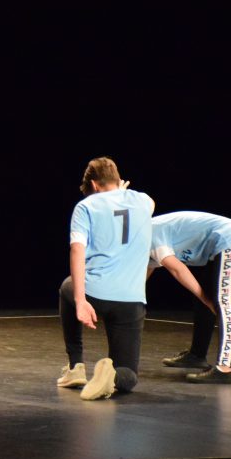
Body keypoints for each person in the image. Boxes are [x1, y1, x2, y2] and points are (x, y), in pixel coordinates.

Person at [56, 157, 154, 400]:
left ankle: (76, 366)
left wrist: (80, 300)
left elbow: (77, 249)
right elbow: (148, 205)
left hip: (95, 293)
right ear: (118, 180)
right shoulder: (142, 200)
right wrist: (121, 193)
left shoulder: (86, 206)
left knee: (65, 287)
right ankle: (111, 376)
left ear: (95, 185)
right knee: (129, 374)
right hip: (131, 301)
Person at [148, 211, 231, 383]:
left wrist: (207, 300)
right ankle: (196, 355)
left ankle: (224, 369)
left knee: (224, 303)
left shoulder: (150, 232)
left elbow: (177, 269)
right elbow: (147, 269)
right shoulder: (142, 240)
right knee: (203, 301)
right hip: (216, 250)